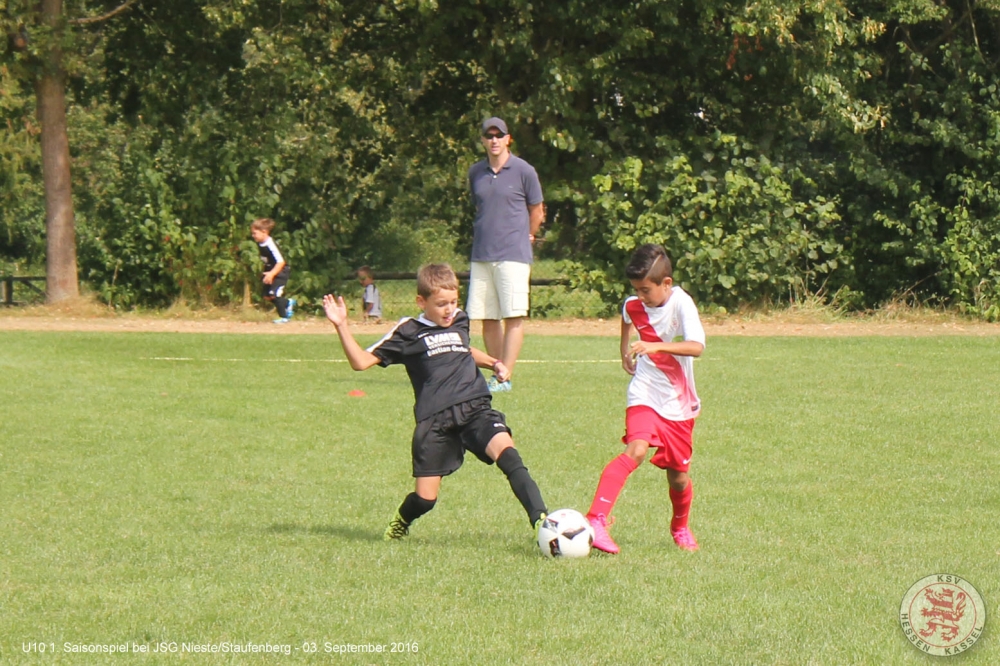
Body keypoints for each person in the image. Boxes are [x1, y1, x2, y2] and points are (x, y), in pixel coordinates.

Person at [323, 263, 548, 541]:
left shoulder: (460, 320)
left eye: (453, 302)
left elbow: (463, 348)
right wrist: (341, 325)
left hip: (475, 408)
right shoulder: (408, 331)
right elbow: (360, 362)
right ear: (422, 301)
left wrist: (494, 362)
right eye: (441, 304)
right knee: (425, 500)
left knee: (509, 456)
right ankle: (402, 520)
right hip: (435, 421)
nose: (449, 309)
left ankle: (541, 521)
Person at [585, 244, 706, 554]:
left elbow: (696, 347)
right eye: (636, 290)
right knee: (636, 449)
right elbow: (627, 315)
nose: (640, 297)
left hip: (678, 402)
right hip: (644, 391)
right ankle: (596, 519)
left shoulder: (681, 303)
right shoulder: (634, 303)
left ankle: (680, 527)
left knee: (678, 478)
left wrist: (655, 346)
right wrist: (623, 350)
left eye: (645, 290)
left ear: (666, 283)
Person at [467, 116, 544, 392]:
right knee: (488, 317)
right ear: (482, 140)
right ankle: (498, 372)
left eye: (499, 135)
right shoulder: (476, 172)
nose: (494, 140)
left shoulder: (524, 171)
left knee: (513, 316)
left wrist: (528, 235)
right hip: (482, 254)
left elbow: (537, 211)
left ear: (508, 138)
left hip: (513, 254)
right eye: (489, 136)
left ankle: (505, 377)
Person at [250, 217, 296, 324]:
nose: (253, 235)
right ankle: (288, 303)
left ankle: (284, 317)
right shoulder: (261, 243)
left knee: (275, 294)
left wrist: (272, 274)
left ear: (264, 232)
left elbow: (281, 262)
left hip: (280, 272)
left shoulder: (271, 244)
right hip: (271, 271)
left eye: (255, 233)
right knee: (267, 296)